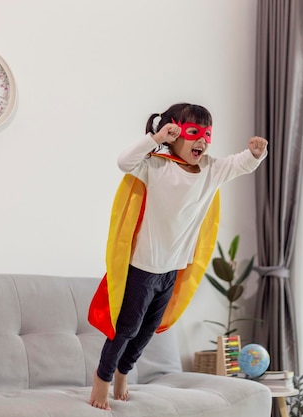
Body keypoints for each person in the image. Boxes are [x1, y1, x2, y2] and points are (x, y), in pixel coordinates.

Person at [87, 102, 268, 410]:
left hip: (172, 270)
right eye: (193, 132)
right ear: (172, 133)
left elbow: (243, 164)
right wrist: (155, 139)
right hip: (142, 267)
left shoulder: (211, 169)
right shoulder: (154, 165)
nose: (202, 141)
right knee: (127, 328)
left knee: (147, 332)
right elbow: (123, 161)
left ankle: (123, 372)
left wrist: (255, 152)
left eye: (207, 134)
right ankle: (102, 378)